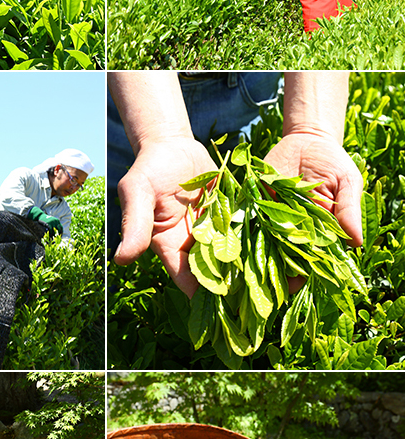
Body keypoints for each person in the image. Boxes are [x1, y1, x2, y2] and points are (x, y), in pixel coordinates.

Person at [108, 72, 363, 298]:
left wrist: (312, 129)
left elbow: (319, 24)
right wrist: (159, 137)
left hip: (245, 90)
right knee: (121, 215)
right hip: (134, 99)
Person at [0, 148, 94, 242]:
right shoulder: (25, 177)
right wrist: (37, 215)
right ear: (57, 170)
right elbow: (8, 197)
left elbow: (64, 238)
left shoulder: (64, 210)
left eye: (79, 185)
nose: (74, 188)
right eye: (73, 180)